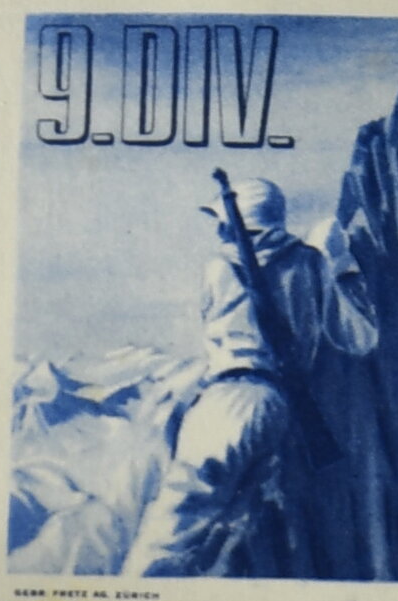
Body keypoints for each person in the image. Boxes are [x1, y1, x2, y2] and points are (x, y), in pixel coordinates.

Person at [123, 177, 371, 579]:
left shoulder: (218, 267)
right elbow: (360, 339)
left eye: (222, 221)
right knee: (239, 532)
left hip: (229, 401)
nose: (219, 229)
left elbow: (209, 319)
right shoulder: (312, 262)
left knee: (172, 526)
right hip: (281, 408)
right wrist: (341, 265)